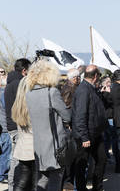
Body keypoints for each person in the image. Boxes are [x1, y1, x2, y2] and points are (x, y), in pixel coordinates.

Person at [24, 60, 71, 190]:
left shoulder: (29, 94)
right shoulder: (52, 92)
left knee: (42, 180)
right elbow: (67, 116)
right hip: (55, 145)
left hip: (39, 145)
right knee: (56, 179)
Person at [72, 65, 107, 191]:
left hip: (96, 133)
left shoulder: (91, 88)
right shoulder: (83, 90)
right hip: (86, 135)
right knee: (82, 165)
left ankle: (97, 187)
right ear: (96, 76)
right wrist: (84, 136)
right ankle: (81, 188)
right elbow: (80, 115)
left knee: (102, 159)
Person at [4, 58, 31, 191]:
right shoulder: (20, 84)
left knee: (15, 159)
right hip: (19, 126)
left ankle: (12, 185)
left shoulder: (9, 85)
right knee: (17, 160)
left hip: (11, 125)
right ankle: (12, 186)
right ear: (24, 71)